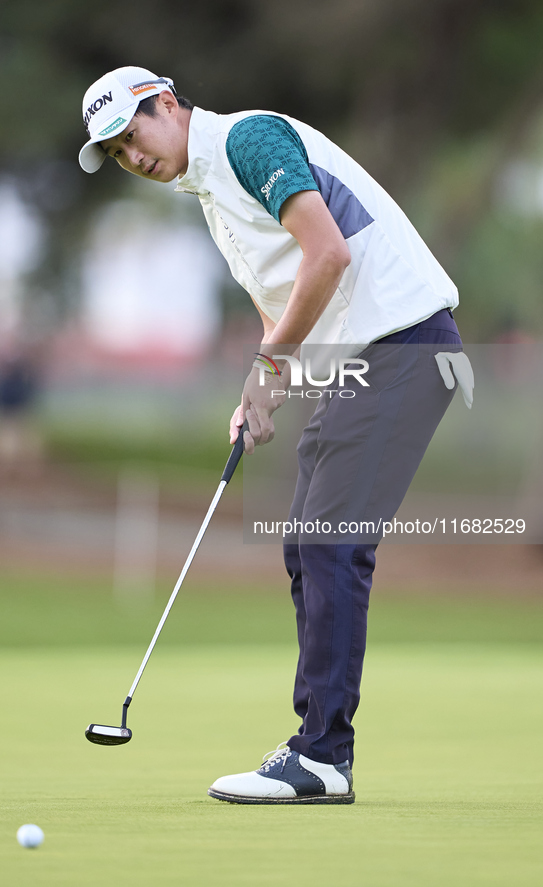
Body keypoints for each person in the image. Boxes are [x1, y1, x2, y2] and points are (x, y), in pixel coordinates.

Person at [79, 66, 473, 805]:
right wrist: (259, 391)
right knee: (309, 541)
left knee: (328, 538)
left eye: (134, 134)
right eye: (117, 152)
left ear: (167, 103)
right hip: (364, 359)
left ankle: (321, 756)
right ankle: (319, 747)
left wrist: (271, 363)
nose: (133, 156)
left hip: (402, 343)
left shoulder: (248, 141)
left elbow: (328, 254)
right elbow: (285, 304)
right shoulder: (211, 196)